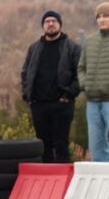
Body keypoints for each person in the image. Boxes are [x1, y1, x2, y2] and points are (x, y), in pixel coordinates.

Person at [21, 10, 82, 163]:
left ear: (60, 24)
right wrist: (27, 95)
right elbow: (25, 73)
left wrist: (69, 94)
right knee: (43, 145)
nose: (50, 24)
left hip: (62, 104)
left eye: (54, 21)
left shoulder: (72, 48)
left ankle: (64, 183)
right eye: (47, 21)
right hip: (39, 104)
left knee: (61, 145)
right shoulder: (34, 48)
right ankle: (47, 182)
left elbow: (80, 74)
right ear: (43, 26)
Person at [79, 2, 109, 162]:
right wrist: (85, 85)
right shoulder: (89, 42)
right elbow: (81, 67)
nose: (102, 20)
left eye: (106, 16)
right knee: (96, 148)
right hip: (92, 102)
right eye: (99, 17)